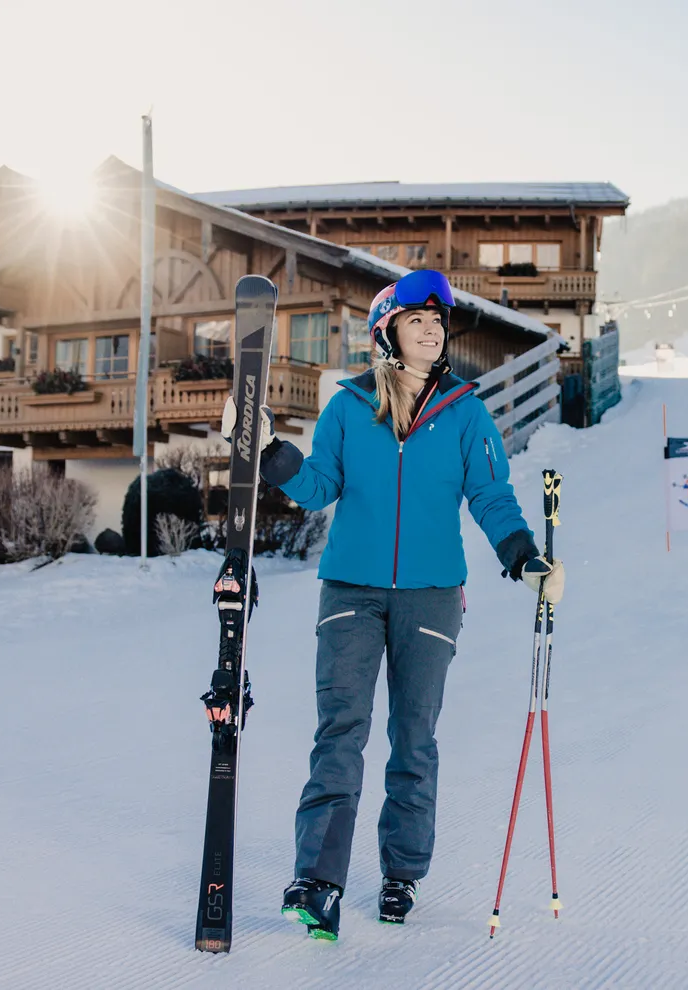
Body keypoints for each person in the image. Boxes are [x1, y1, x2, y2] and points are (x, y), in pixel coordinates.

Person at [226, 269, 565, 940]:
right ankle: (318, 883)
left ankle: (401, 874)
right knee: (340, 735)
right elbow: (319, 487)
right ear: (388, 332)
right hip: (350, 588)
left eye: (437, 320)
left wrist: (523, 554)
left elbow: (490, 495)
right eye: (416, 319)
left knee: (415, 739)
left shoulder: (466, 411)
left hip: (433, 597)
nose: (432, 328)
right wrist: (267, 449)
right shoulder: (350, 405)